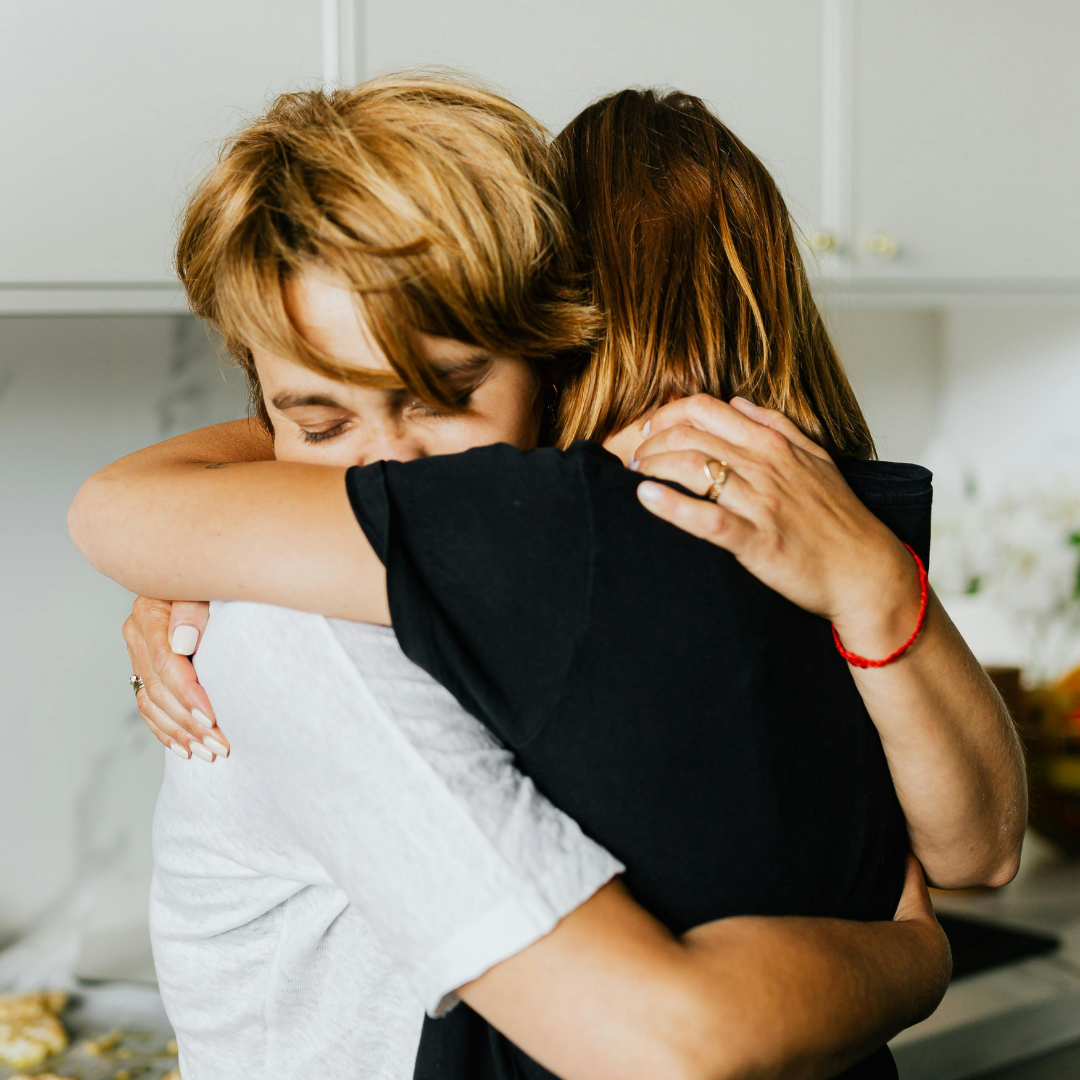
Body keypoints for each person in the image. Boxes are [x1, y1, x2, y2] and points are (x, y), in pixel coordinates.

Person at [67, 77, 1022, 1079]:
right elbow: (970, 860)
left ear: (555, 357)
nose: (388, 470)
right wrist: (913, 955)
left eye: (445, 391)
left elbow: (974, 855)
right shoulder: (317, 617)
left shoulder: (616, 539)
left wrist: (227, 514)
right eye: (318, 422)